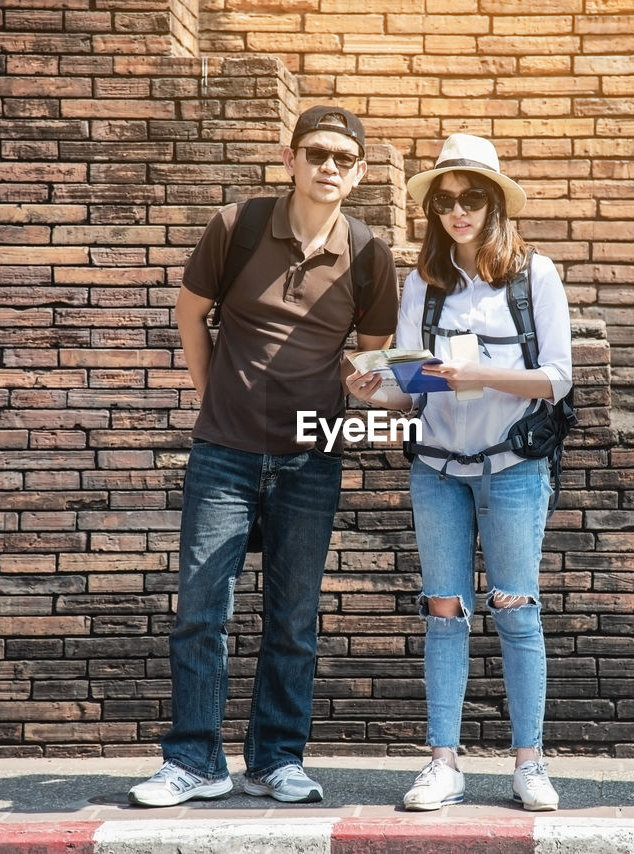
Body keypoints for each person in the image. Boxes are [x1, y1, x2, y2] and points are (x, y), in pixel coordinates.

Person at [128, 106, 398, 807]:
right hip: (226, 448)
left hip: (316, 448)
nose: (329, 167)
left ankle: (276, 759)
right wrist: (212, 395)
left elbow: (362, 360)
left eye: (344, 158)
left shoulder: (368, 253)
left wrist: (360, 387)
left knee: (293, 615)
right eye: (317, 153)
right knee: (200, 606)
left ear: (360, 172)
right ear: (290, 158)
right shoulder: (237, 226)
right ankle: (194, 761)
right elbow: (191, 313)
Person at [347, 133, 572, 811]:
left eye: (471, 197)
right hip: (438, 469)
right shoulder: (423, 284)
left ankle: (528, 763)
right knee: (443, 612)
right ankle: (442, 761)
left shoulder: (536, 277)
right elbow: (413, 392)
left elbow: (557, 379)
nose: (457, 211)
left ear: (496, 203)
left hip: (513, 468)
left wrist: (478, 374)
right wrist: (375, 391)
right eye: (444, 201)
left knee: (516, 610)